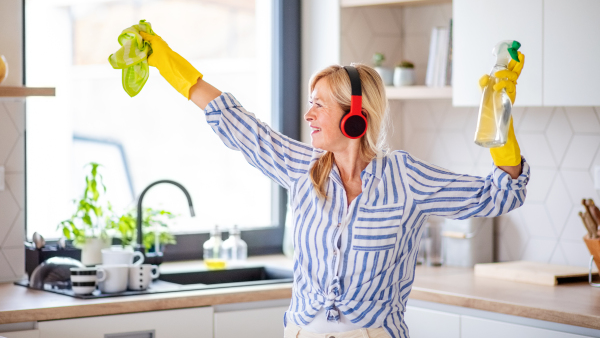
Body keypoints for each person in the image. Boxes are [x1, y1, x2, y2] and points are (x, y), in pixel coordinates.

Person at [140, 31, 529, 338]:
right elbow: (234, 120)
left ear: (355, 116)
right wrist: (167, 62)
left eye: (319, 104)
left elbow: (501, 192)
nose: (308, 114)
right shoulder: (300, 168)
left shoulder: (405, 178)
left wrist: (501, 122)